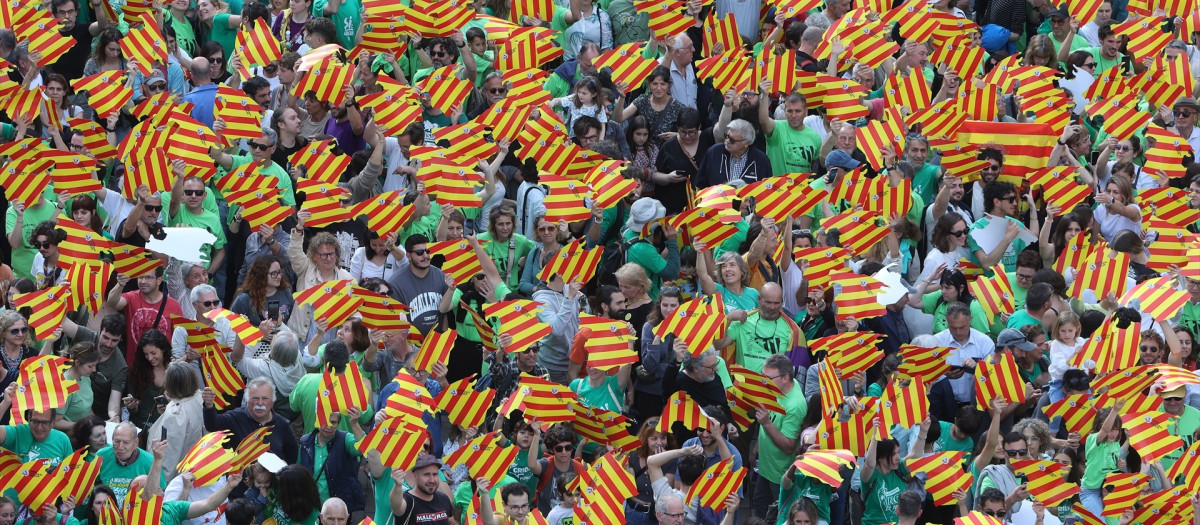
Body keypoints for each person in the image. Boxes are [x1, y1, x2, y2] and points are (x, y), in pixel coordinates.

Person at [202, 376, 300, 462]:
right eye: (255, 398)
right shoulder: (235, 418)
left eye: (265, 398)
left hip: (272, 482)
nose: (260, 403)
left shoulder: (282, 424)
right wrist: (209, 405)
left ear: (273, 401)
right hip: (240, 481)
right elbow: (212, 425)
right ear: (247, 401)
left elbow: (293, 455)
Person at [106, 268, 183, 365]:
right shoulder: (132, 297)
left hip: (162, 369)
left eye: (148, 278)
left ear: (159, 280)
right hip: (135, 368)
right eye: (140, 277)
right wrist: (120, 284)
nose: (143, 281)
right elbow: (112, 302)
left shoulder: (174, 306)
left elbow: (179, 340)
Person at [386, 234, 454, 336]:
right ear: (408, 256)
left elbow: (445, 315)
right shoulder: (396, 283)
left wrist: (443, 339)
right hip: (411, 344)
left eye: (427, 251)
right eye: (419, 252)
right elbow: (396, 320)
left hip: (437, 342)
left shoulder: (442, 276)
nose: (425, 256)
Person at [146, 361, 205, 480]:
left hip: (177, 479)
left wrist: (160, 485)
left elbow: (168, 456)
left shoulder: (175, 414)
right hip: (194, 470)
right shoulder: (200, 396)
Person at [299, 409, 364, 513]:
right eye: (324, 421)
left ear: (338, 423)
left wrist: (354, 423)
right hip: (312, 506)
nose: (329, 426)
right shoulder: (305, 441)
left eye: (333, 422)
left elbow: (362, 448)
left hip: (338, 508)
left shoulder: (344, 439)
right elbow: (299, 471)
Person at [757, 82, 821, 177]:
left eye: (798, 111)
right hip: (777, 188)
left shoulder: (815, 137)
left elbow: (815, 167)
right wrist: (765, 95)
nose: (794, 115)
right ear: (784, 111)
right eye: (790, 111)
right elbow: (763, 121)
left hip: (801, 190)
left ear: (805, 111)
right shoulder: (777, 128)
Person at [95, 422, 163, 507]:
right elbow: (95, 485)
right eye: (116, 441)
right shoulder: (102, 456)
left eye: (126, 442)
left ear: (136, 442)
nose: (120, 447)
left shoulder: (150, 461)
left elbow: (160, 492)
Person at [389, 453, 455, 525]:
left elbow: (452, 522)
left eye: (435, 474)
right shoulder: (408, 500)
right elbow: (396, 506)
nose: (432, 480)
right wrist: (397, 485)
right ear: (415, 476)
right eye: (426, 474)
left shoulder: (443, 498)